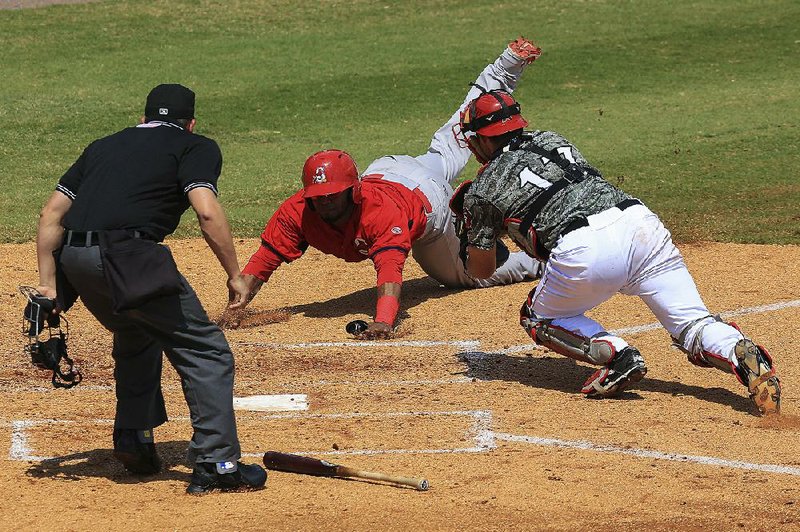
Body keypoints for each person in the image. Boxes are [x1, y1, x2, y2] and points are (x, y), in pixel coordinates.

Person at [450, 78, 782, 415]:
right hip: (641, 226)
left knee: (538, 316)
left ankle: (618, 355)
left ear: (481, 139)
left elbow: (482, 270)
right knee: (693, 323)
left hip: (584, 250)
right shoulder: (553, 140)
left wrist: (472, 227)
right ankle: (738, 351)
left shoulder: (482, 190)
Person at [34, 84, 267, 493]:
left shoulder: (103, 145)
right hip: (127, 257)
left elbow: (52, 212)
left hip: (75, 260)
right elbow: (207, 212)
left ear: (143, 118)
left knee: (137, 331)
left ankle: (134, 440)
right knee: (206, 350)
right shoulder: (195, 146)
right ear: (189, 122)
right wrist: (235, 273)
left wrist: (49, 286)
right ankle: (218, 464)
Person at [240, 38, 544, 338]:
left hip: (430, 201)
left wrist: (384, 321)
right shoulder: (297, 212)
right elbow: (268, 255)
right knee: (458, 134)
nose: (325, 203)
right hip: (392, 170)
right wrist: (236, 305)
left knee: (467, 275)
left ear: (352, 191)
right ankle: (506, 64)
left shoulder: (378, 214)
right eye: (319, 198)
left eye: (333, 196)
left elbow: (389, 268)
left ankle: (541, 260)